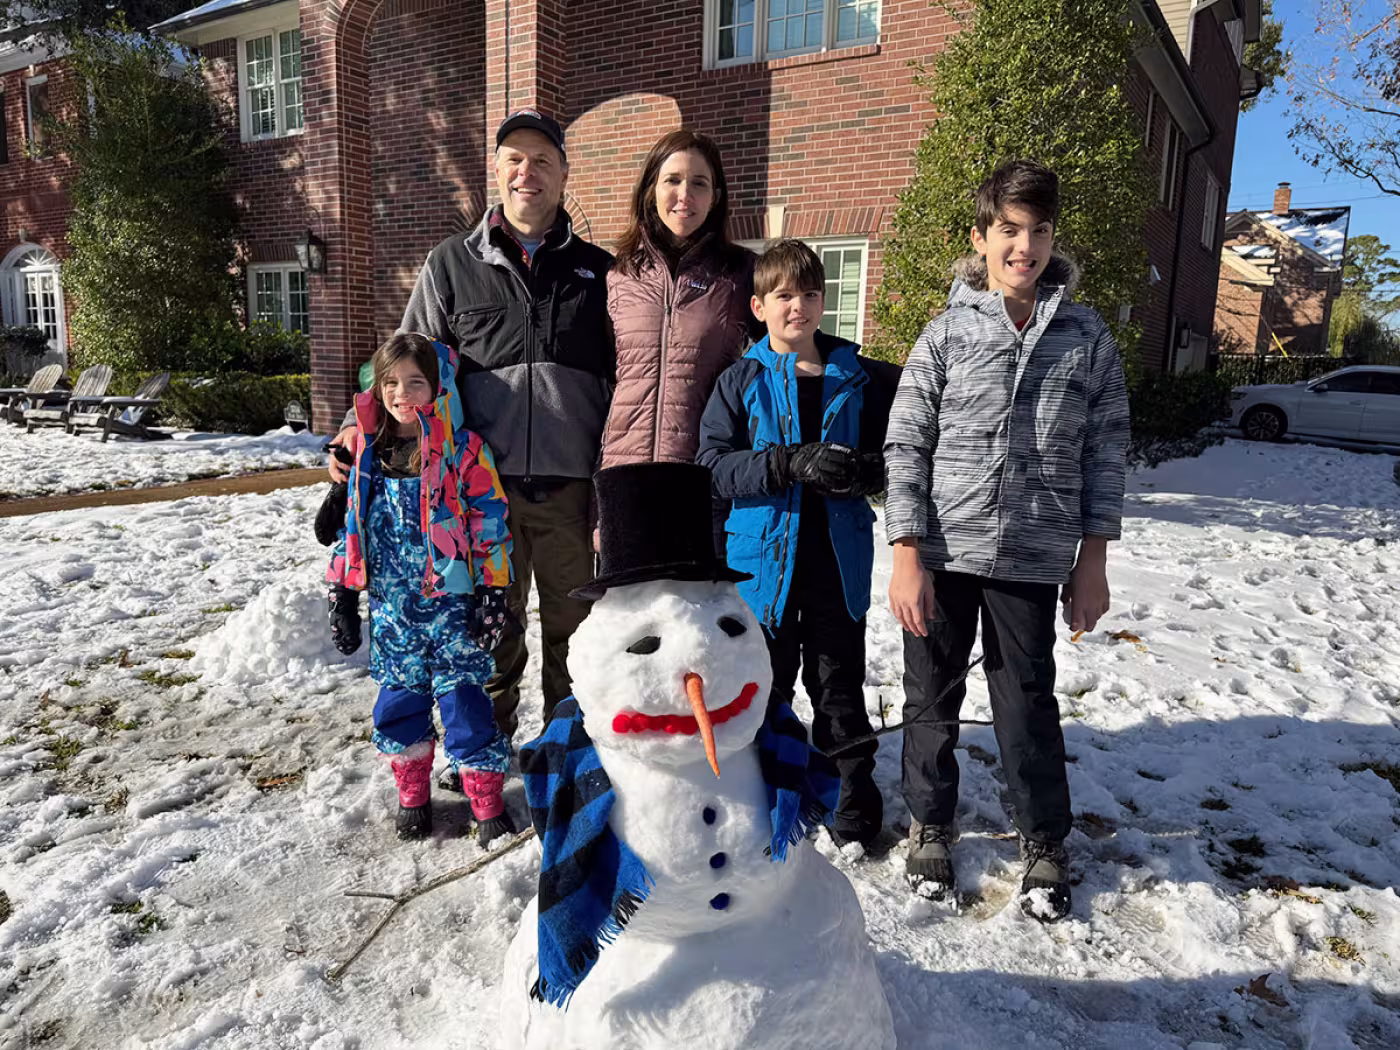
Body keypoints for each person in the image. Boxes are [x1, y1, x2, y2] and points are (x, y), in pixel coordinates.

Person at [884, 160, 1130, 921]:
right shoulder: (948, 334)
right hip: (942, 553)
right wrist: (905, 553)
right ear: (981, 238)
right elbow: (906, 444)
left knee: (1026, 701)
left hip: (1032, 555)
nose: (1025, 246)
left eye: (1039, 231)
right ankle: (932, 823)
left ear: (1054, 240)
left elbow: (1107, 450)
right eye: (1010, 231)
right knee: (933, 697)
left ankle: (1045, 839)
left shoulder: (1086, 338)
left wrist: (1092, 560)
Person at [327, 110, 614, 752]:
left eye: (542, 160)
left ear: (564, 174)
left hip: (571, 490)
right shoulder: (451, 265)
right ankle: (488, 745)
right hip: (479, 495)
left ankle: (568, 752)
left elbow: (627, 376)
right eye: (514, 159)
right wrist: (356, 426)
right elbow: (404, 362)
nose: (527, 172)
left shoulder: (600, 272)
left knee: (576, 629)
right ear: (497, 170)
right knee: (488, 624)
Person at [696, 239, 899, 851]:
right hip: (762, 567)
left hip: (837, 563)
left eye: (811, 294)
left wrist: (869, 474)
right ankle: (768, 791)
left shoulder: (861, 378)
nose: (799, 307)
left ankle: (851, 797)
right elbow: (711, 466)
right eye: (784, 295)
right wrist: (785, 464)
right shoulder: (740, 381)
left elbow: (900, 456)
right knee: (766, 687)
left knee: (838, 685)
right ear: (759, 306)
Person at [326, 332, 518, 846]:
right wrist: (343, 593)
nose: (402, 393)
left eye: (415, 381)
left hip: (453, 608)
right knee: (399, 699)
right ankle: (412, 793)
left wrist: (492, 590)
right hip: (393, 608)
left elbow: (489, 522)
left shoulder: (463, 450)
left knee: (464, 701)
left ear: (438, 387)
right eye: (390, 382)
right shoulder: (366, 452)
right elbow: (352, 527)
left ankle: (484, 798)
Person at [602, 128, 760, 553]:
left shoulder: (742, 274)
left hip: (703, 478)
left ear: (716, 196)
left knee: (695, 613)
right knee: (629, 614)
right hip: (624, 478)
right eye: (672, 180)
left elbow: (786, 351)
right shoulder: (618, 275)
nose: (684, 195)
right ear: (651, 188)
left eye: (699, 183)